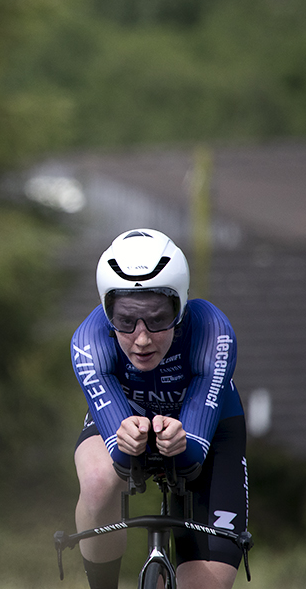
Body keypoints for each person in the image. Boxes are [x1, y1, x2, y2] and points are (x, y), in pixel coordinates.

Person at [71, 228, 248, 589]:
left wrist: (181, 441)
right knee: (97, 479)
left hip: (209, 430)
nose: (141, 338)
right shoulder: (88, 341)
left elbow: (192, 456)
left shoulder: (211, 329)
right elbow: (122, 460)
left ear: (180, 308)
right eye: (125, 320)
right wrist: (125, 439)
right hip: (123, 416)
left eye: (157, 318)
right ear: (106, 313)